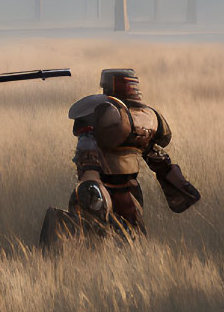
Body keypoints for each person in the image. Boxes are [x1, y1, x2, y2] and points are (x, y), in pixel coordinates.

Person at [40, 67, 199, 246]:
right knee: (106, 234)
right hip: (114, 188)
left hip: (117, 189)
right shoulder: (147, 117)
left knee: (125, 238)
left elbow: (153, 154)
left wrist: (89, 180)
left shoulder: (114, 113)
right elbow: (154, 155)